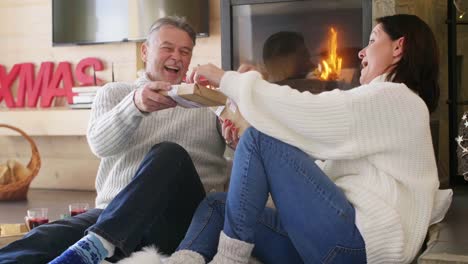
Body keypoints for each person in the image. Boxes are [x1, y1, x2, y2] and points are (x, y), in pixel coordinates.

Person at [153, 14, 451, 264]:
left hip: (355, 245)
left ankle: (231, 260)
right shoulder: (387, 106)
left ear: (399, 47)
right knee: (218, 205)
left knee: (259, 137)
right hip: (329, 244)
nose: (361, 52)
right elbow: (311, 166)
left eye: (373, 40)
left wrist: (227, 79)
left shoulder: (396, 98)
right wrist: (251, 153)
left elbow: (309, 111)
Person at [0, 16, 228, 264]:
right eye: (167, 48)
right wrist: (135, 106)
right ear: (145, 51)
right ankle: (96, 245)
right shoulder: (115, 93)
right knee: (42, 239)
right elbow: (99, 145)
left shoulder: (210, 103)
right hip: (114, 217)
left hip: (180, 221)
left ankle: (97, 245)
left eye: (185, 51)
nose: (177, 56)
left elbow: (244, 150)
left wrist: (235, 115)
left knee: (169, 154)